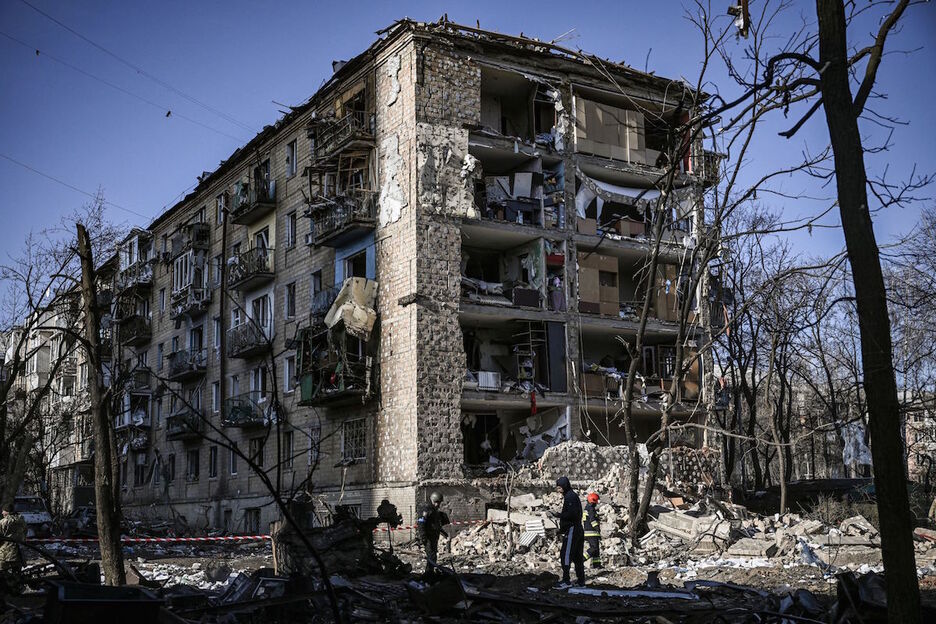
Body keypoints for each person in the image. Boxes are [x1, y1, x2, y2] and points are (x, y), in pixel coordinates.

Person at [555, 476, 585, 587]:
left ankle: (566, 580)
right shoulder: (571, 496)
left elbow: (572, 514)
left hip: (572, 529)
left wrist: (558, 515)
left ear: (564, 486)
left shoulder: (570, 497)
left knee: (565, 555)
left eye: (559, 488)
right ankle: (581, 581)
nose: (558, 490)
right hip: (577, 529)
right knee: (577, 556)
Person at [416, 491, 450, 580]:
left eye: (439, 502)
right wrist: (423, 537)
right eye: (436, 502)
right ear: (432, 500)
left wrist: (444, 533)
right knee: (431, 556)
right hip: (428, 537)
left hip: (434, 537)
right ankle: (428, 575)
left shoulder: (434, 510)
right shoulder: (426, 508)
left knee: (433, 556)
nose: (438, 504)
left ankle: (430, 573)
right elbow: (421, 524)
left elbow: (436, 525)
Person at [0, 506, 27, 594]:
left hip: (5, 552)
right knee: (17, 571)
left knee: (2, 571)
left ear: (7, 512)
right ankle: (17, 588)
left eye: (3, 511)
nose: (2, 513)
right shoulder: (22, 521)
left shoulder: (3, 522)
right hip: (19, 551)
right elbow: (25, 533)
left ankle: (7, 589)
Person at [582, 492, 602, 568]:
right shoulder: (591, 509)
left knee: (596, 550)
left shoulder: (587, 508)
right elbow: (592, 520)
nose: (597, 503)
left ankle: (597, 565)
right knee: (594, 548)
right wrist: (597, 528)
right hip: (592, 532)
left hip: (589, 532)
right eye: (596, 501)